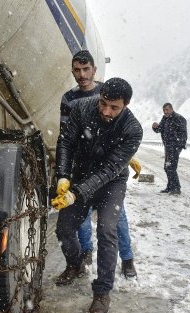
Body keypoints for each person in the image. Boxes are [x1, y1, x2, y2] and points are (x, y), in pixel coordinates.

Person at [52, 78, 143, 313]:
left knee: (107, 230)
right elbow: (66, 142)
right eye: (103, 103)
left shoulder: (133, 129)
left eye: (114, 108)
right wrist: (62, 176)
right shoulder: (82, 108)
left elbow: (110, 168)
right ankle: (75, 264)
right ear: (99, 95)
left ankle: (102, 292)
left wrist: (76, 193)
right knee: (63, 229)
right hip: (80, 176)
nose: (106, 111)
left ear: (125, 105)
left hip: (111, 182)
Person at [59, 50, 140, 278]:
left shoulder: (110, 91)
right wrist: (64, 174)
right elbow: (66, 137)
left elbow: (120, 136)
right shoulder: (70, 100)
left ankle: (126, 258)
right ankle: (85, 254)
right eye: (77, 70)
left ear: (95, 70)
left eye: (86, 69)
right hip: (84, 166)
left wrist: (126, 155)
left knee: (113, 222)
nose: (82, 74)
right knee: (80, 220)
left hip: (109, 173)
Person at [152, 103, 187, 195]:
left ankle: (176, 188)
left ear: (171, 109)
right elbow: (159, 129)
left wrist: (179, 146)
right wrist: (154, 127)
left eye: (167, 110)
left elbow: (183, 134)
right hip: (167, 147)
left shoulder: (179, 118)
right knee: (167, 167)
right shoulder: (165, 118)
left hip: (175, 147)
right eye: (164, 110)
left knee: (171, 167)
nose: (165, 112)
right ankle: (170, 187)